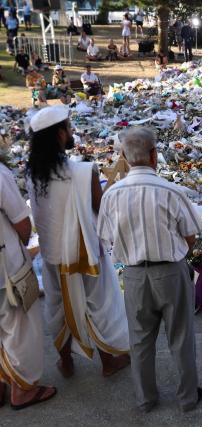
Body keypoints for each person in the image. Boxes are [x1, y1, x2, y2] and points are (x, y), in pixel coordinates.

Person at [97, 127, 202, 413]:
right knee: (180, 336)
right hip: (170, 272)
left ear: (124, 157)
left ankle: (145, 399)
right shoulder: (171, 191)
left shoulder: (112, 195)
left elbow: (106, 237)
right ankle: (187, 398)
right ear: (154, 155)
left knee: (140, 340)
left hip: (133, 275)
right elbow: (191, 235)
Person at [26, 106, 130, 381]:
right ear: (60, 134)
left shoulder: (33, 175)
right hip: (85, 254)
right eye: (69, 128)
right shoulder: (85, 171)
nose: (72, 132)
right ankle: (108, 362)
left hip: (52, 256)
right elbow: (101, 209)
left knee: (57, 305)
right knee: (98, 303)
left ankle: (66, 363)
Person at [0, 158, 58, 410]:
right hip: (6, 268)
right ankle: (23, 390)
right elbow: (22, 223)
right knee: (21, 328)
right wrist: (22, 244)